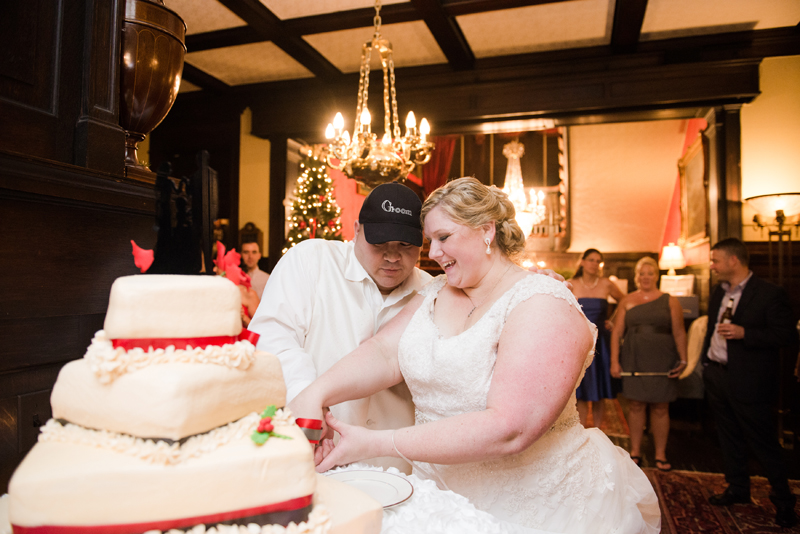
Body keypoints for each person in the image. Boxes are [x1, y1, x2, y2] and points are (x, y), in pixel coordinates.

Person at [290, 178, 660, 534]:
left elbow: (509, 428)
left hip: (534, 506)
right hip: (438, 495)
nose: (432, 254)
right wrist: (316, 394)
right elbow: (384, 352)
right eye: (430, 240)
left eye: (443, 238)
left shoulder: (543, 303)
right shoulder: (436, 291)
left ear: (487, 230)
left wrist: (378, 443)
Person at [248, 182, 433, 472]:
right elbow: (272, 334)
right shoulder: (310, 261)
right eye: (380, 243)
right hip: (314, 452)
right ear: (357, 230)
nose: (393, 257)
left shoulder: (432, 292)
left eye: (405, 246)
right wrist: (307, 398)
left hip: (399, 467)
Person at [701, 238, 797, 528]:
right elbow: (710, 329)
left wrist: (745, 333)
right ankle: (737, 488)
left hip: (749, 380)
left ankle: (784, 502)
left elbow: (786, 336)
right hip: (717, 374)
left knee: (763, 442)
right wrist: (705, 364)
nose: (712, 265)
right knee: (728, 437)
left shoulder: (769, 293)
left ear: (734, 260)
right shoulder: (718, 291)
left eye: (716, 260)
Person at [610, 257, 687, 471]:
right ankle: (635, 450)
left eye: (650, 273)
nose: (646, 277)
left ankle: (660, 453)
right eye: (642, 274)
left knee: (661, 406)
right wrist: (615, 362)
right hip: (633, 356)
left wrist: (683, 359)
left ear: (656, 276)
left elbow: (679, 331)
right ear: (637, 277)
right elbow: (616, 333)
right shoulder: (627, 300)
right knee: (635, 404)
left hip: (663, 357)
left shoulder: (669, 300)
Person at [569, 249, 625, 428]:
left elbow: (624, 302)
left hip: (601, 341)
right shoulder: (572, 283)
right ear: (583, 262)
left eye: (598, 261)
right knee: (583, 388)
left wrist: (614, 320)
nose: (594, 264)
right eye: (591, 260)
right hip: (581, 340)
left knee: (600, 388)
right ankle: (582, 429)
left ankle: (599, 431)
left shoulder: (607, 284)